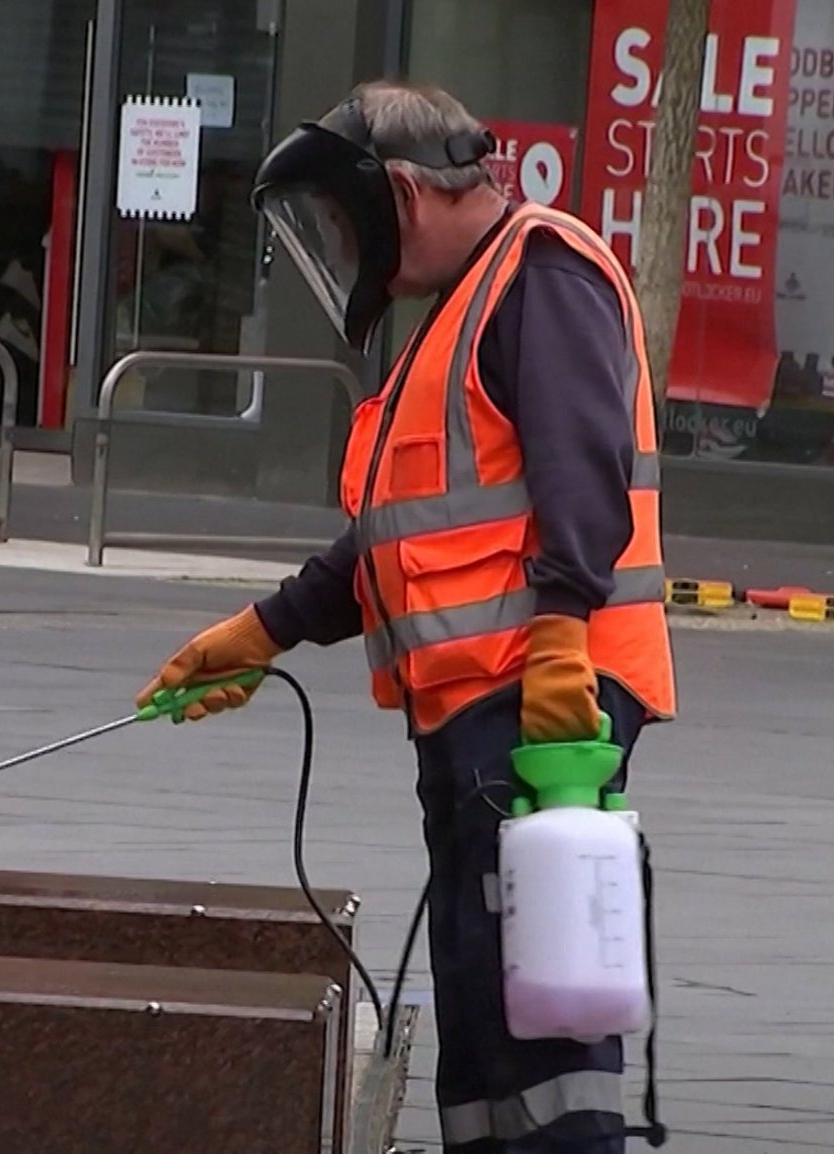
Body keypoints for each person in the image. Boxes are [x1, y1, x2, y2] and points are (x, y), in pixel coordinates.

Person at [137, 81, 677, 1154]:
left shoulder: (539, 273)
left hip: (535, 706)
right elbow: (395, 539)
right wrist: (264, 628)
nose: (344, 248)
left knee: (545, 1042)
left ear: (399, 194)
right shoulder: (462, 312)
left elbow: (586, 475)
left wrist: (562, 639)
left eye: (342, 222)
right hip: (480, 716)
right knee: (482, 1031)